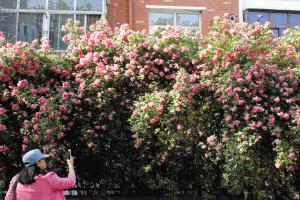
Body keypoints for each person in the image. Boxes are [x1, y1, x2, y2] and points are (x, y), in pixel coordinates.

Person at [5, 149, 76, 200]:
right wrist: (70, 165)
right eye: (43, 159)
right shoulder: (48, 178)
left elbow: (8, 198)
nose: (45, 161)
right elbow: (70, 182)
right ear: (38, 163)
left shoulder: (16, 179)